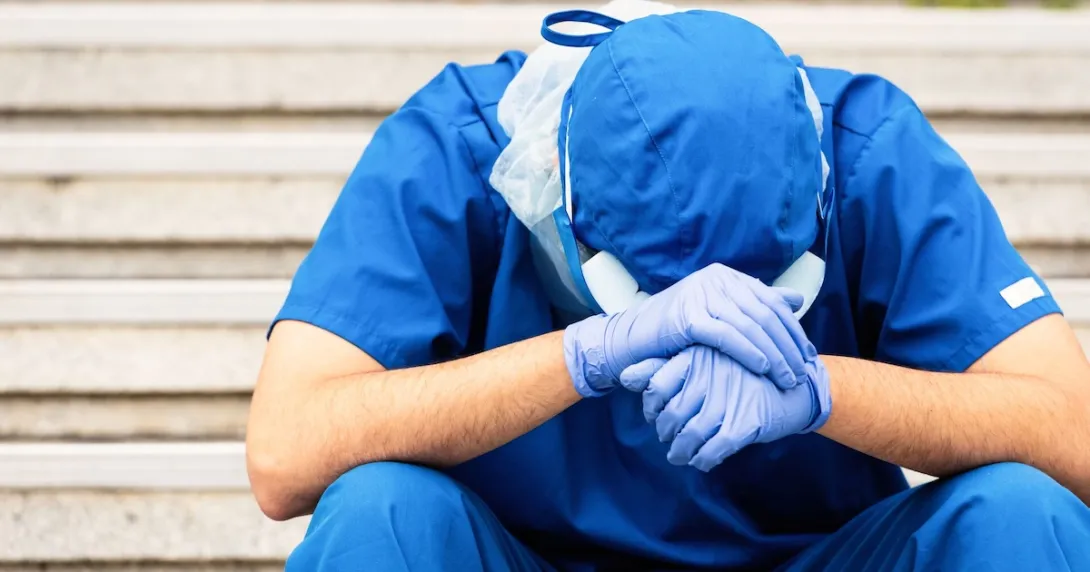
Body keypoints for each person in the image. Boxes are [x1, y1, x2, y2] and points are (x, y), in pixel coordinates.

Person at [245, 2, 1090, 570]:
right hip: (526, 555)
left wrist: (821, 390)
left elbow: (1073, 436)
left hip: (811, 554)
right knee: (379, 511)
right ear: (555, 192)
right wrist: (583, 355)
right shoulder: (458, 149)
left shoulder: (870, 149)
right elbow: (285, 453)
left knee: (1021, 512)